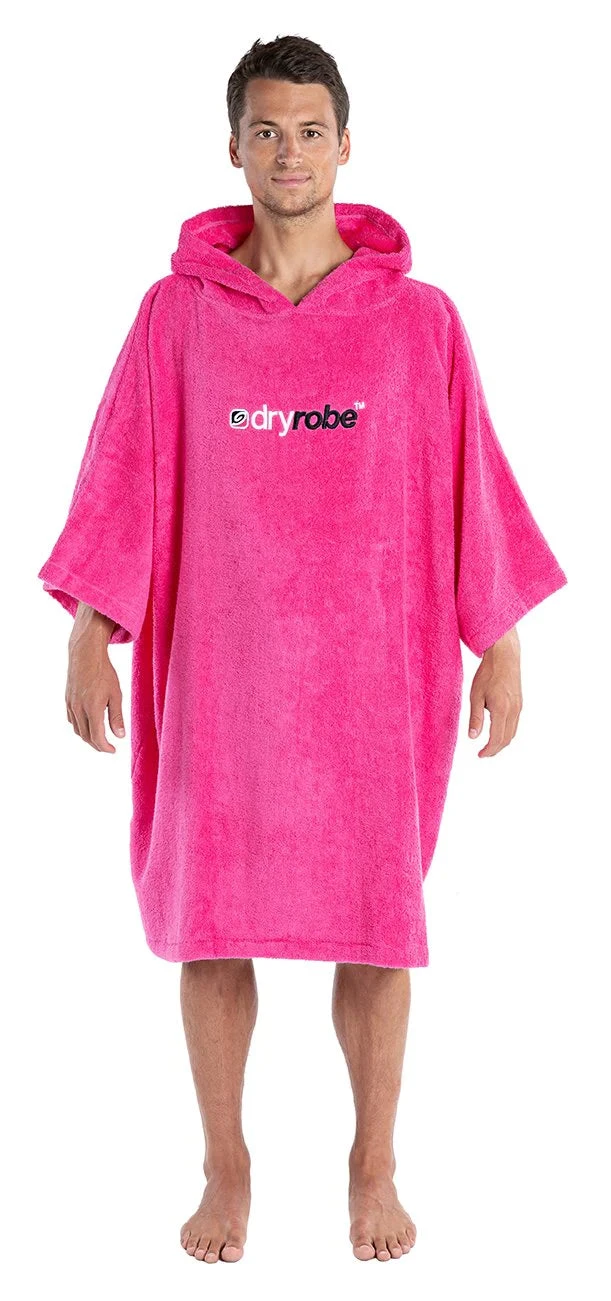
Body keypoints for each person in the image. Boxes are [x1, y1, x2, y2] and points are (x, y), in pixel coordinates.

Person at [37, 34, 568, 1266]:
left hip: (371, 678)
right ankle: (224, 1163)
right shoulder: (175, 317)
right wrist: (89, 630)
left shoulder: (417, 323)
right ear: (232, 148)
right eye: (266, 131)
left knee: (377, 925)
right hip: (219, 677)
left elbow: (467, 478)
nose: (289, 152)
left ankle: (371, 1163)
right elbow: (123, 474)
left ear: (346, 145)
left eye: (310, 130)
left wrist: (497, 639)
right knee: (208, 920)